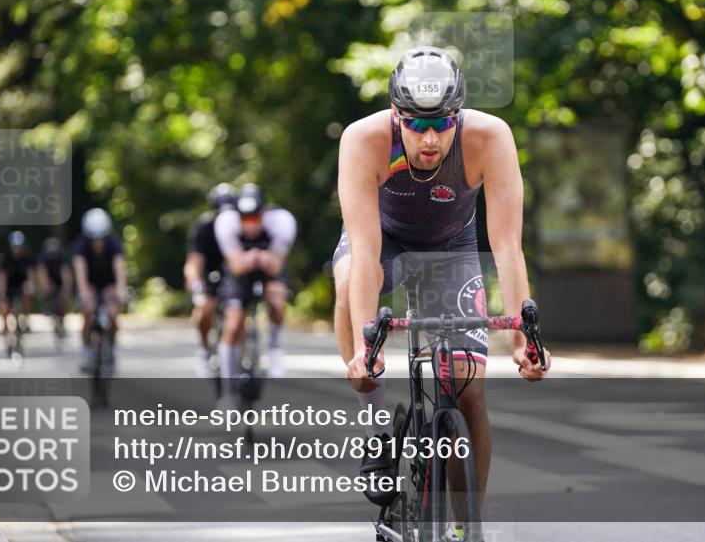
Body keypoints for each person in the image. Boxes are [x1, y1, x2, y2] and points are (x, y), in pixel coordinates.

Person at [333, 46, 550, 506]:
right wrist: (362, 351)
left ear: (459, 116)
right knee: (349, 272)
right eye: (415, 124)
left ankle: (466, 527)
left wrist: (522, 342)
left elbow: (507, 246)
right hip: (384, 240)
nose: (429, 138)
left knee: (468, 394)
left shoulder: (490, 137)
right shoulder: (363, 139)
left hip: (451, 247)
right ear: (396, 115)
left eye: (442, 123)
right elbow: (367, 250)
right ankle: (376, 432)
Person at [214, 183, 296, 401]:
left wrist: (264, 260)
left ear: (263, 213)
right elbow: (236, 266)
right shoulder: (226, 223)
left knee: (277, 299)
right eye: (245, 219)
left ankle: (275, 348)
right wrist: (251, 259)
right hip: (240, 273)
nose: (250, 225)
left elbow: (276, 266)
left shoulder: (281, 222)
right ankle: (227, 392)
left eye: (254, 218)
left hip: (268, 269)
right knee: (232, 325)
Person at [185, 183, 237, 377]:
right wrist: (195, 282)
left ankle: (238, 356)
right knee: (205, 309)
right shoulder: (204, 227)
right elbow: (194, 261)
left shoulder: (242, 225)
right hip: (211, 274)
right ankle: (204, 350)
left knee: (239, 315)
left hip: (234, 273)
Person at [73, 209, 127, 372]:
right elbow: (80, 269)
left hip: (108, 283)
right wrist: (83, 290)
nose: (98, 242)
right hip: (90, 283)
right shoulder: (81, 245)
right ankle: (87, 352)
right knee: (88, 315)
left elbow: (119, 267)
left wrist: (120, 288)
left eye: (101, 238)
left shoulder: (114, 243)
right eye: (93, 238)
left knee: (112, 315)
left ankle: (111, 351)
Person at [0, 230, 34, 354]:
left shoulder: (27, 258)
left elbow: (30, 275)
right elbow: (2, 277)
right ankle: (6, 341)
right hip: (9, 288)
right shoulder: (5, 259)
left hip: (21, 287)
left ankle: (27, 318)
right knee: (3, 309)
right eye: (15, 247)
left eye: (19, 247)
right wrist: (1, 293)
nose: (17, 250)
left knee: (27, 291)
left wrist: (31, 285)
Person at [37, 237, 73, 337]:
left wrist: (66, 288)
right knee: (45, 288)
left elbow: (66, 273)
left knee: (64, 298)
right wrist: (45, 286)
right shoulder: (42, 257)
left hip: (59, 280)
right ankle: (47, 305)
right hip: (49, 279)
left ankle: (62, 319)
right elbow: (41, 272)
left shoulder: (62, 257)